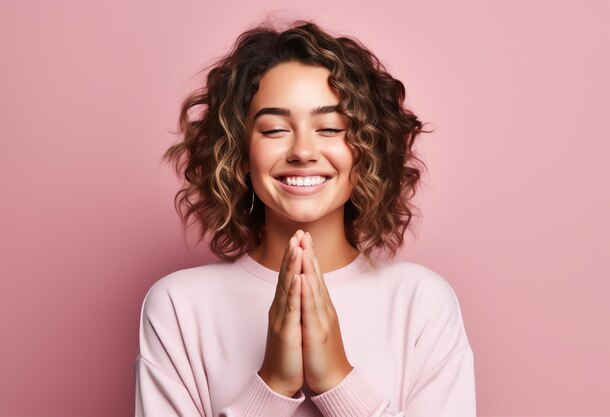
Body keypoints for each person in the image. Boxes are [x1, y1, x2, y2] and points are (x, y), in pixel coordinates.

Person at [134, 19, 476, 417]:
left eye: (329, 127)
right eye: (275, 129)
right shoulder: (178, 306)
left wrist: (337, 381)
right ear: (240, 153)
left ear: (366, 149)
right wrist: (271, 386)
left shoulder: (422, 303)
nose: (302, 150)